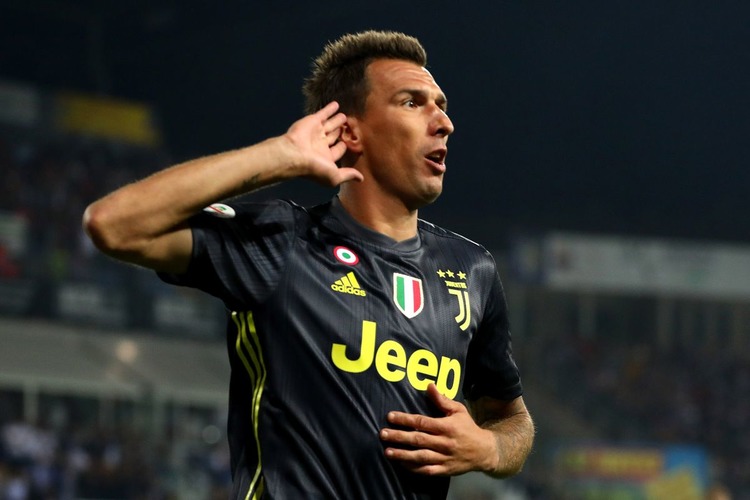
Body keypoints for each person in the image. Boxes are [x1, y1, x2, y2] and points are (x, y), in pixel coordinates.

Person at [83, 30, 534, 500]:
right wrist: (280, 156)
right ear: (348, 132)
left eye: (441, 105)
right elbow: (113, 224)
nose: (444, 123)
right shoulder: (284, 242)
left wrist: (489, 448)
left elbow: (512, 420)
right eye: (411, 103)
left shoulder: (472, 270)